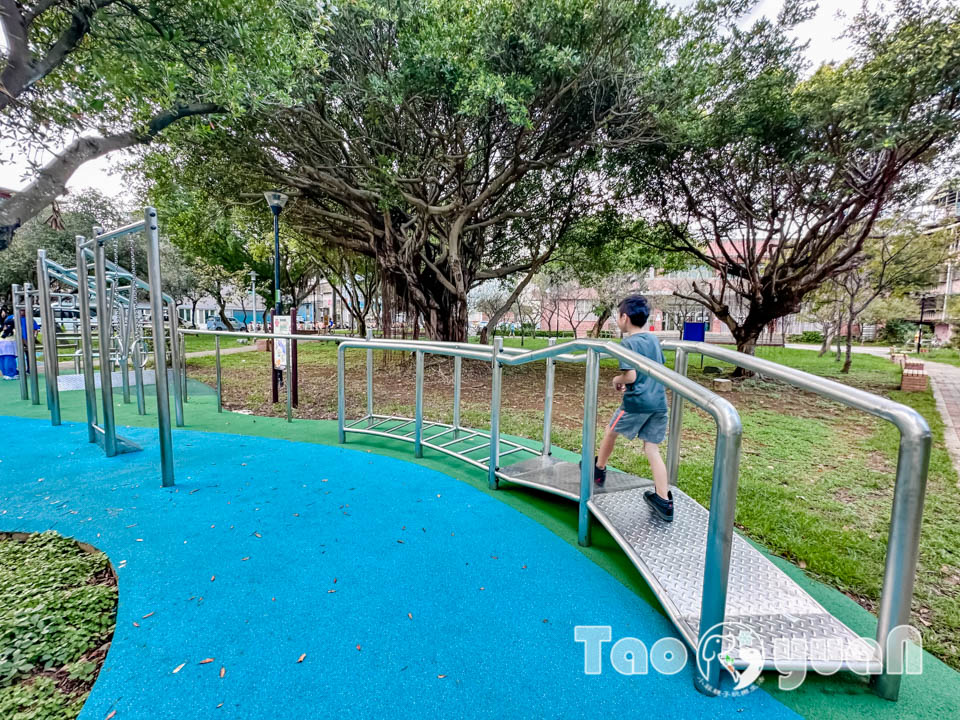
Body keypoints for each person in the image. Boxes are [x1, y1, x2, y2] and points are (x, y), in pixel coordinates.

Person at [593, 294, 674, 522]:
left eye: (617, 316)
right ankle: (663, 498)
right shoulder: (653, 340)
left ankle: (599, 469)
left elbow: (631, 375)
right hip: (658, 402)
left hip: (637, 403)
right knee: (652, 449)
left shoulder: (628, 343)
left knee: (611, 430)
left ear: (624, 317)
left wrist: (617, 380)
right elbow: (656, 369)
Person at [0, 315, 17, 379]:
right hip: (9, 345)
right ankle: (11, 374)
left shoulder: (2, 331)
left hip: (1, 344)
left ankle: (5, 373)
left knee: (2, 359)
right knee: (9, 360)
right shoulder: (13, 331)